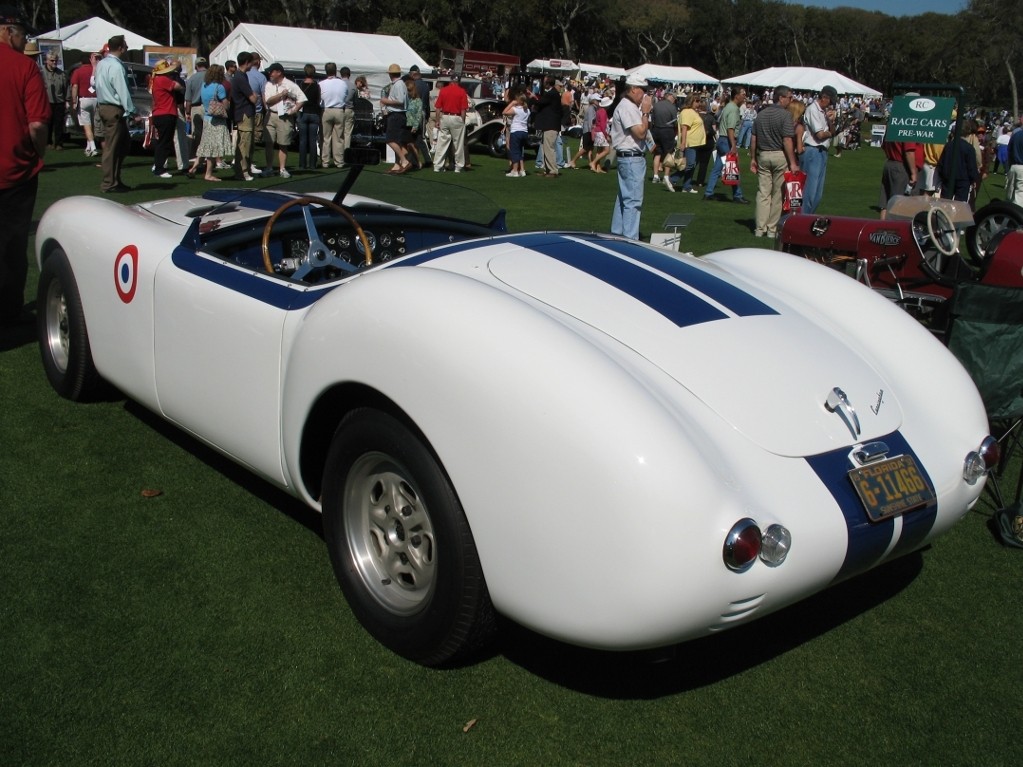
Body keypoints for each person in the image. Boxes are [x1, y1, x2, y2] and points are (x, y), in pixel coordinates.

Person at [0, 7, 48, 326]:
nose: (24, 40)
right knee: (10, 247)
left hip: (13, 171)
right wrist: (38, 152)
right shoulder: (25, 67)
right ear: (8, 31)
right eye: (22, 35)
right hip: (14, 172)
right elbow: (37, 125)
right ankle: (7, 310)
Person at [749, 86, 799, 237]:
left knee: (763, 193)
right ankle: (771, 229)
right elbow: (787, 139)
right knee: (778, 194)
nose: (791, 101)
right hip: (779, 155)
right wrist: (793, 162)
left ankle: (760, 228)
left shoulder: (761, 114)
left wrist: (753, 158)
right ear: (781, 98)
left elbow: (753, 138)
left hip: (763, 154)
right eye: (789, 97)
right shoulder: (785, 116)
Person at [610, 73, 653, 240]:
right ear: (633, 89)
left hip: (628, 157)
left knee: (623, 199)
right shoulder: (628, 107)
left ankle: (616, 236)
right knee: (633, 202)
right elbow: (640, 133)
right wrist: (646, 113)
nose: (644, 94)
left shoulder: (627, 106)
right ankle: (629, 239)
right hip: (631, 157)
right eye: (642, 90)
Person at [95, 35, 139, 192]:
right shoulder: (116, 66)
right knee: (113, 147)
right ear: (121, 47)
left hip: (104, 106)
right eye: (125, 46)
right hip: (113, 108)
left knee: (122, 144)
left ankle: (114, 179)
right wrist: (132, 110)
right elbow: (122, 90)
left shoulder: (102, 63)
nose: (126, 48)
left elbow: (94, 83)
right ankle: (109, 182)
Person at [703, 87, 749, 204]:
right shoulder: (733, 109)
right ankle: (737, 195)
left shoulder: (728, 107)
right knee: (733, 168)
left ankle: (708, 192)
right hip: (727, 140)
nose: (745, 96)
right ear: (736, 95)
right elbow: (730, 128)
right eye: (743, 94)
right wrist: (733, 145)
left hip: (722, 140)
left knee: (717, 168)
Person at [188, 64, 232, 182]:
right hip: (217, 120)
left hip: (207, 118)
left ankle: (193, 168)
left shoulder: (204, 85)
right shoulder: (219, 87)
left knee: (205, 146)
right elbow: (226, 104)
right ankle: (208, 174)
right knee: (213, 149)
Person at [800, 85, 840, 214]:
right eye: (831, 100)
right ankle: (802, 219)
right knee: (809, 192)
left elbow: (832, 131)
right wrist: (830, 132)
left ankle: (808, 217)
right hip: (813, 150)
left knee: (818, 194)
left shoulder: (823, 112)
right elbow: (820, 135)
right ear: (824, 97)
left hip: (822, 151)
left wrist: (830, 121)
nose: (831, 104)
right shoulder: (813, 110)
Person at [262, 62, 306, 178]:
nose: (269, 74)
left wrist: (294, 110)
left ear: (279, 72)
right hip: (271, 114)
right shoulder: (268, 84)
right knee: (269, 143)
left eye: (272, 72)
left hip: (285, 117)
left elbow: (302, 98)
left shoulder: (290, 85)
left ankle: (282, 169)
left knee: (283, 143)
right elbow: (268, 101)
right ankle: (269, 168)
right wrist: (281, 95)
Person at [150, 59, 184, 178]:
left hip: (159, 113)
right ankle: (160, 168)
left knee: (161, 142)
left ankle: (158, 165)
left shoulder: (155, 80)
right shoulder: (163, 80)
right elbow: (178, 86)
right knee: (164, 143)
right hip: (166, 113)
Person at [431, 73, 468, 173]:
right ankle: (458, 166)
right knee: (458, 144)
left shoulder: (443, 90)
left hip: (445, 117)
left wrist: (438, 121)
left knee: (442, 143)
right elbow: (463, 109)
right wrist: (462, 121)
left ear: (450, 80)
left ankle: (437, 166)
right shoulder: (462, 91)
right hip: (457, 117)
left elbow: (438, 108)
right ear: (458, 81)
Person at [229, 52, 257, 181]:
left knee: (245, 143)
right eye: (251, 62)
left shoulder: (240, 76)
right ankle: (243, 171)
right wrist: (255, 96)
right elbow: (252, 98)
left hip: (243, 113)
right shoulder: (240, 77)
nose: (253, 64)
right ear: (247, 62)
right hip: (244, 114)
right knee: (244, 144)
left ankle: (243, 170)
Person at [878, 136, 921, 219]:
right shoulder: (907, 128)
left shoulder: (894, 125)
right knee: (898, 204)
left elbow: (884, 145)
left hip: (890, 163)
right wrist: (913, 173)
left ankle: (882, 229)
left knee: (885, 204)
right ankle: (893, 229)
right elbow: (909, 151)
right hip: (902, 166)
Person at [937, 121, 980, 203]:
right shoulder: (969, 148)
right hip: (962, 181)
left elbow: (941, 163)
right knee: (960, 205)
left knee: (944, 203)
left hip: (948, 179)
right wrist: (973, 178)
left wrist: (942, 175)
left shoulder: (948, 145)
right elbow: (971, 167)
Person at [380, 63, 410, 174]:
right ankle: (397, 164)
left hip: (396, 115)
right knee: (396, 140)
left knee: (390, 139)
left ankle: (404, 160)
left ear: (391, 74)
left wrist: (385, 101)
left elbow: (400, 101)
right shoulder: (399, 84)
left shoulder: (398, 84)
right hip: (398, 115)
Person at [672, 93, 705, 193]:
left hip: (695, 143)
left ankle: (687, 186)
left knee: (692, 164)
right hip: (689, 142)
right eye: (697, 101)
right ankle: (672, 179)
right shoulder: (687, 112)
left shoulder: (692, 111)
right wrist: (683, 143)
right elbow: (684, 128)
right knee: (689, 164)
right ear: (691, 101)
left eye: (699, 101)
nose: (699, 103)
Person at [69, 51, 99, 157]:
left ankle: (93, 146)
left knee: (86, 125)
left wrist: (74, 101)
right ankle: (88, 147)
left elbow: (75, 87)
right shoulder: (96, 70)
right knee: (94, 124)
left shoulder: (77, 71)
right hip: (96, 99)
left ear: (81, 62)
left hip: (84, 100)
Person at [532, 76, 562, 177]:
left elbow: (540, 102)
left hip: (551, 125)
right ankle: (547, 169)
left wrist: (533, 97)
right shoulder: (552, 93)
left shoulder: (552, 94)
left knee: (549, 148)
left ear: (547, 83)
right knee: (545, 148)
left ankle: (553, 170)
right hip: (549, 125)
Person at [319, 62, 347, 169]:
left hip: (326, 110)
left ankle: (325, 161)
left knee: (326, 138)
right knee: (339, 138)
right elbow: (345, 96)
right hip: (339, 110)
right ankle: (339, 161)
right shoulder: (342, 83)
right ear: (336, 71)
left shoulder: (321, 83)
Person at [40, 50, 68, 149]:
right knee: (48, 123)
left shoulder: (61, 74)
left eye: (56, 61)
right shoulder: (41, 73)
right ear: (47, 61)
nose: (54, 63)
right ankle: (48, 142)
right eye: (52, 61)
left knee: (59, 123)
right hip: (47, 102)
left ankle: (59, 143)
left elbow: (66, 88)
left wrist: (67, 100)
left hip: (59, 101)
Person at [649, 91, 677, 185]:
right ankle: (666, 176)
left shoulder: (656, 105)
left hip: (656, 130)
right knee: (668, 154)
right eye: (674, 98)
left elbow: (652, 119)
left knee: (657, 153)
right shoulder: (672, 107)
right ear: (671, 97)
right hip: (668, 131)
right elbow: (675, 122)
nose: (675, 100)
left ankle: (655, 176)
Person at [297, 64, 321, 170]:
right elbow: (318, 100)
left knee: (303, 140)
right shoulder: (317, 85)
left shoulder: (300, 85)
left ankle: (302, 164)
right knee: (312, 140)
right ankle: (312, 164)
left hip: (303, 113)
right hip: (314, 113)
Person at [182, 56, 207, 156]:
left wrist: (187, 112)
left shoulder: (191, 79)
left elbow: (188, 99)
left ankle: (198, 154)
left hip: (195, 107)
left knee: (197, 134)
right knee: (209, 132)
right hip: (208, 106)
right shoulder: (211, 76)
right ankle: (209, 155)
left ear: (196, 66)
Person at [502, 91, 530, 177]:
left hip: (516, 131)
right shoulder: (527, 110)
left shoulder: (516, 109)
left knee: (514, 151)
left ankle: (515, 171)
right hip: (524, 132)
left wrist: (511, 104)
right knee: (520, 151)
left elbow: (504, 112)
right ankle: (522, 170)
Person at [589, 96, 612, 173]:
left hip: (598, 132)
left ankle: (598, 167)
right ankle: (593, 163)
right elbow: (603, 125)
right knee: (607, 150)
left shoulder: (599, 111)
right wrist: (606, 135)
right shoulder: (603, 112)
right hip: (601, 132)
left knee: (599, 150)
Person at [1006, 118, 1023, 207]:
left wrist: (1009, 166)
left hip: (1014, 166)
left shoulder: (1016, 135)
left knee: (1010, 194)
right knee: (1019, 196)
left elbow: (1009, 151)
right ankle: (1015, 218)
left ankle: (1006, 215)